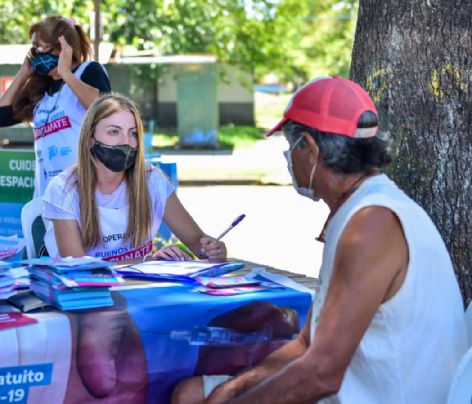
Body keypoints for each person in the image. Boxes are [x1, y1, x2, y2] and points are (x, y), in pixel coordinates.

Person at [172, 77, 468, 404]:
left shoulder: (372, 223)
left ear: (310, 150)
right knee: (194, 394)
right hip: (356, 388)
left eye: (291, 147)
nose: (289, 158)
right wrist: (237, 387)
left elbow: (321, 372)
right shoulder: (361, 208)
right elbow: (306, 342)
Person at [42, 93, 227, 263]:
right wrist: (147, 263)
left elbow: (197, 242)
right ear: (90, 139)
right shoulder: (63, 189)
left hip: (141, 291)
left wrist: (213, 249)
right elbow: (78, 268)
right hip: (88, 296)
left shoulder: (152, 180)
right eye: (114, 132)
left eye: (132, 133)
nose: (126, 142)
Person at [0, 15, 110, 197]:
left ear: (63, 48)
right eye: (33, 48)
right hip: (46, 196)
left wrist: (66, 74)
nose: (36, 53)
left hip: (82, 191)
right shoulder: (40, 87)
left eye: (41, 47)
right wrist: (23, 73)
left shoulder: (89, 70)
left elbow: (104, 110)